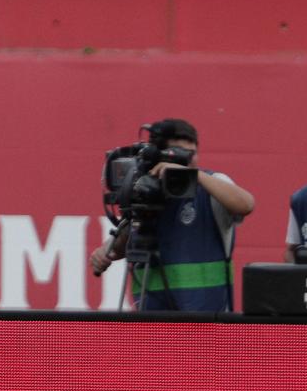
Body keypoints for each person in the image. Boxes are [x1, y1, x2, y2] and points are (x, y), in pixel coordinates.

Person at [88, 119, 256, 311]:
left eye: (191, 154)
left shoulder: (213, 184)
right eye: (178, 154)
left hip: (207, 318)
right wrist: (105, 251)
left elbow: (246, 204)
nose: (187, 160)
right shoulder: (146, 187)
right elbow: (129, 239)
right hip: (152, 318)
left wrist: (194, 175)